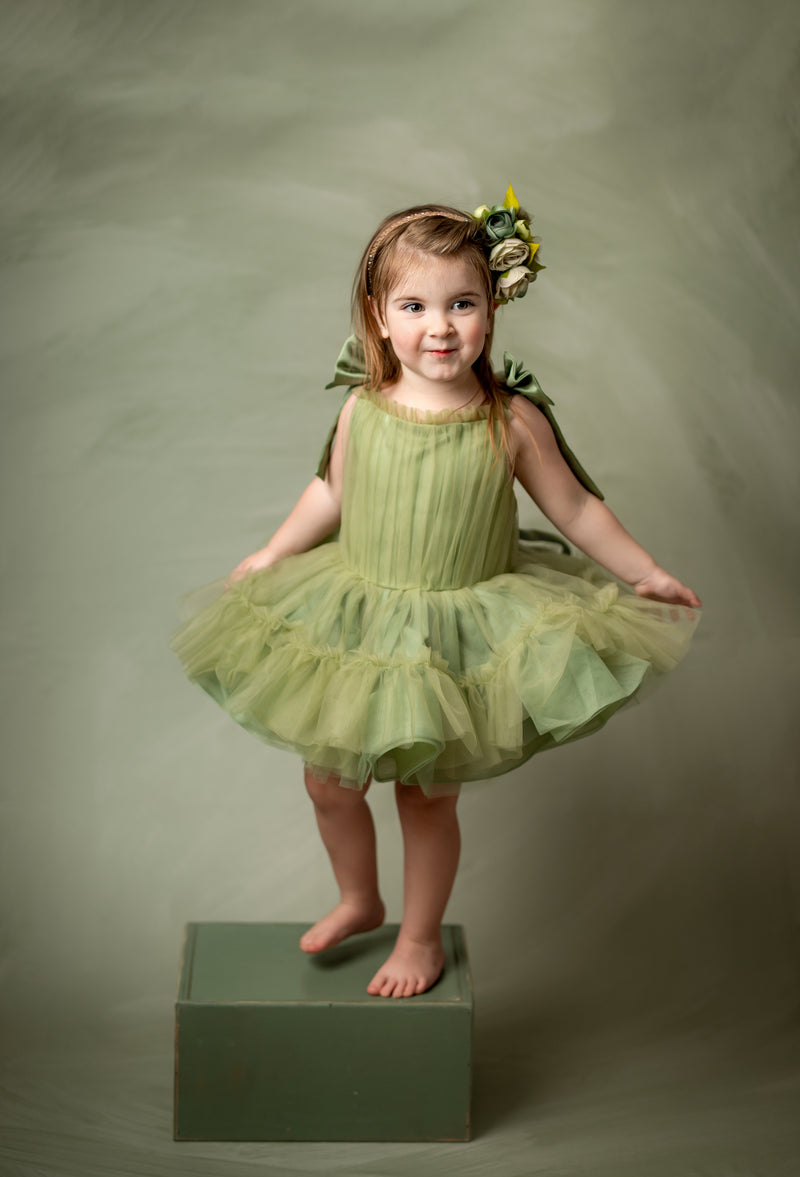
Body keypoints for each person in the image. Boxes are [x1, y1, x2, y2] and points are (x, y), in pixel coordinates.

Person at [171, 187, 702, 1000]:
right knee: (327, 780)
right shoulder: (362, 407)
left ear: (494, 308)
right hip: (358, 616)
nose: (440, 325)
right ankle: (359, 896)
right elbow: (330, 493)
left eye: (462, 302)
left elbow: (575, 506)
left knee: (425, 795)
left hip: (460, 628)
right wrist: (275, 550)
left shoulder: (510, 419)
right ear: (380, 318)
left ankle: (418, 937)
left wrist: (642, 572)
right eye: (415, 305)